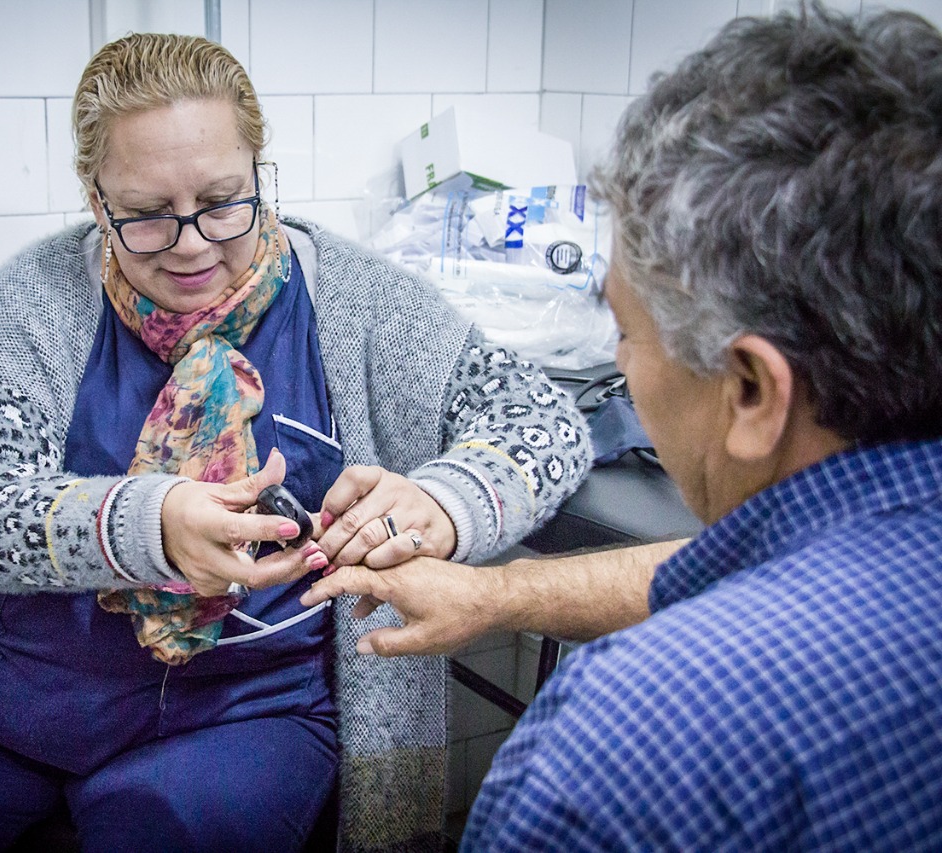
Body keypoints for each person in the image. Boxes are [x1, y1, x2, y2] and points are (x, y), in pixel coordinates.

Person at [0, 32, 590, 853]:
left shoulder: (356, 301)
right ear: (94, 199)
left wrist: (443, 502)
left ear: (260, 174)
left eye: (222, 201)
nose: (192, 245)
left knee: (165, 827)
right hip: (7, 700)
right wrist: (152, 525)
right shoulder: (35, 300)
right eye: (144, 215)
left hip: (246, 710)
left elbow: (541, 420)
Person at [307, 4, 942, 849]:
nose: (621, 364)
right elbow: (756, 565)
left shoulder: (620, 746)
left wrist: (448, 499)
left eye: (628, 333)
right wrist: (496, 594)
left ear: (751, 391)